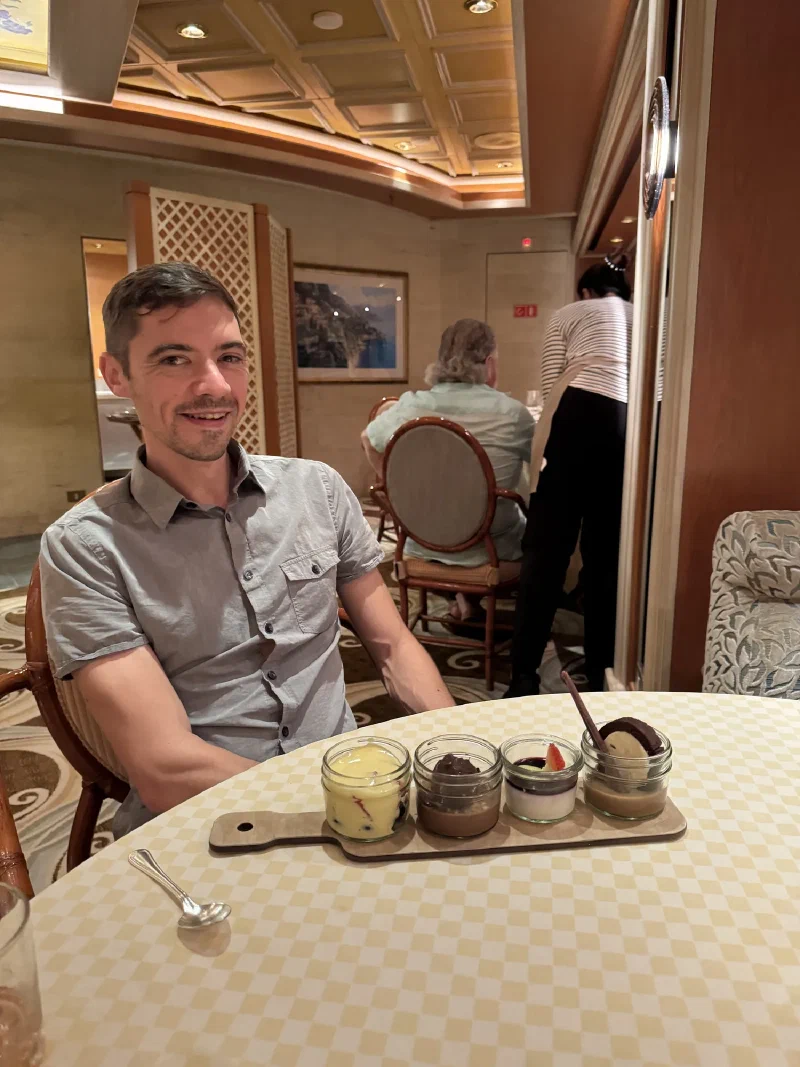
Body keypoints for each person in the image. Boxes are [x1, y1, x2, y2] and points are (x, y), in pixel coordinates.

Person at [39, 263, 452, 837]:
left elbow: (391, 646)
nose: (213, 385)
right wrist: (333, 803)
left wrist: (454, 748)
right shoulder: (84, 548)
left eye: (229, 357)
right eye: (173, 359)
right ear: (117, 375)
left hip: (353, 793)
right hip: (206, 825)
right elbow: (164, 766)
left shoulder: (318, 491)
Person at [507, 255, 633, 695]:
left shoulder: (570, 314)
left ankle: (522, 676)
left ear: (585, 291)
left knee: (545, 551)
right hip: (632, 421)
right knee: (606, 556)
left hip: (579, 409)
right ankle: (602, 672)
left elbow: (550, 386)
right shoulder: (647, 315)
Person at [361, 318, 534, 622]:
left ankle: (462, 598)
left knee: (453, 504)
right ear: (490, 363)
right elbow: (539, 470)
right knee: (530, 523)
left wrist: (395, 489)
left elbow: (368, 438)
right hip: (492, 549)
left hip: (423, 542)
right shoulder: (513, 414)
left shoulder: (412, 405)